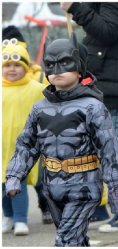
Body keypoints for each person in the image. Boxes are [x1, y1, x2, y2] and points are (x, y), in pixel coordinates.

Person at [5, 33, 118, 246]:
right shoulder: (39, 109)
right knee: (76, 240)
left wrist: (116, 190)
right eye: (50, 64)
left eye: (65, 63)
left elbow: (109, 150)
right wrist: (15, 174)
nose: (57, 70)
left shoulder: (92, 107)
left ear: (79, 68)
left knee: (65, 240)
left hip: (84, 187)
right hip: (52, 187)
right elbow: (27, 144)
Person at [60, 2, 118, 231]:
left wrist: (76, 8)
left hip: (115, 87)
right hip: (105, 82)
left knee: (116, 149)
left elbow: (108, 31)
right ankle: (100, 207)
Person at [2, 25, 53, 226]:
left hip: (32, 141)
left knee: (40, 177)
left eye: (16, 64)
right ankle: (11, 217)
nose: (11, 68)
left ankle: (43, 206)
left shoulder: (37, 78)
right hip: (5, 144)